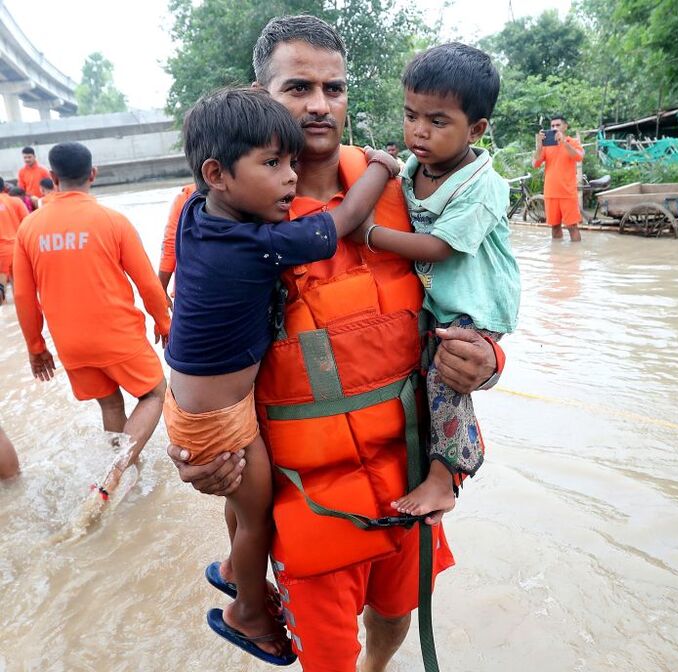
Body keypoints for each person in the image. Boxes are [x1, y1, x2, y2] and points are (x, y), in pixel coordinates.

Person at [167, 15, 503, 672]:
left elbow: (478, 291)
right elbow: (188, 356)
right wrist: (190, 452)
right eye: (298, 88)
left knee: (396, 612)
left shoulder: (408, 189)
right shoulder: (218, 214)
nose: (320, 105)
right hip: (307, 498)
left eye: (334, 88)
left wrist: (488, 361)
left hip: (407, 478)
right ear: (263, 95)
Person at [163, 86, 398, 665]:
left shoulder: (199, 213)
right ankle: (246, 607)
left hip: (202, 401)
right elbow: (341, 220)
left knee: (246, 509)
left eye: (291, 162)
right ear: (216, 172)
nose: (290, 179)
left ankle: (229, 568)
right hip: (218, 417)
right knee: (259, 517)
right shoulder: (255, 244)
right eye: (273, 164)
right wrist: (384, 166)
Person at [363, 43, 519, 517]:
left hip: (478, 302)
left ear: (476, 129)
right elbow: (401, 183)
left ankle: (442, 480)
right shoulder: (418, 166)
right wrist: (383, 165)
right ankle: (441, 468)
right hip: (443, 299)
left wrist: (369, 233)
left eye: (437, 121)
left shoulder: (482, 184)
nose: (418, 131)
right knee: (428, 376)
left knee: (445, 380)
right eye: (411, 116)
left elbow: (440, 247)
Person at [13, 142, 170, 500]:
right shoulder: (112, 221)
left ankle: (116, 488)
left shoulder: (30, 228)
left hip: (70, 342)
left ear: (51, 178)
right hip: (116, 335)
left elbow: (24, 297)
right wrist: (163, 322)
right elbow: (146, 281)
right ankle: (115, 471)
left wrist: (36, 347)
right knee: (156, 393)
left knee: (111, 403)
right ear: (93, 174)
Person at [533, 114, 585, 241]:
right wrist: (539, 145)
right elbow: (535, 164)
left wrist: (564, 143)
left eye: (558, 125)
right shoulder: (546, 146)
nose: (554, 128)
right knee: (555, 227)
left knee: (572, 227)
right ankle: (556, 258)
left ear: (565, 127)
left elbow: (579, 156)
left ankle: (576, 258)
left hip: (567, 193)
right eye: (552, 126)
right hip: (551, 193)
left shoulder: (572, 142)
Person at [157, 182, 196, 297]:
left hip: (190, 290)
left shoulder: (186, 198)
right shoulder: (244, 194)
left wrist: (162, 290)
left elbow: (170, 244)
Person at [0, 177, 29, 305]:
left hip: (1, 252)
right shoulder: (16, 201)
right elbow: (28, 223)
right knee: (20, 295)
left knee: (1, 296)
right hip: (18, 250)